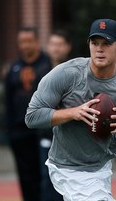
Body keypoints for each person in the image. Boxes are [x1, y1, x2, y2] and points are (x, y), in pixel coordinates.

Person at [25, 18, 116, 201]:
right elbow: (32, 117)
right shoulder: (65, 74)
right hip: (67, 166)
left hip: (101, 166)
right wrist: (73, 113)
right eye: (95, 43)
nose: (99, 49)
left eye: (106, 43)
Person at [4, 27, 52, 201]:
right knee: (25, 176)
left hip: (42, 130)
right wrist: (9, 130)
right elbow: (8, 100)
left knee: (45, 175)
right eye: (21, 42)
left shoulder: (47, 64)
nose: (25, 45)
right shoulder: (13, 67)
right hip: (20, 132)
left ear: (37, 41)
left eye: (28, 41)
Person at [38, 30, 73, 201]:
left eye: (60, 44)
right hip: (47, 137)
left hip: (72, 138)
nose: (56, 48)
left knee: (72, 183)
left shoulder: (78, 71)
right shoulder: (41, 72)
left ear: (68, 47)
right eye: (53, 44)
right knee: (48, 181)